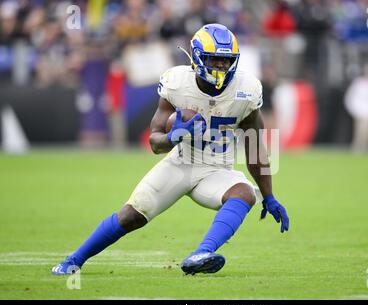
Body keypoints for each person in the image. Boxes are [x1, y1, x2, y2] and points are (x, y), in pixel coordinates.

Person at [52, 24, 289, 276]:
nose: (220, 67)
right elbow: (155, 143)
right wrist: (174, 136)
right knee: (131, 216)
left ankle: (201, 253)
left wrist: (269, 195)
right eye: (215, 60)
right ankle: (72, 260)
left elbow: (254, 144)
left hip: (216, 169)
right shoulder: (178, 83)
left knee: (244, 193)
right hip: (179, 163)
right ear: (198, 57)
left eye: (226, 61)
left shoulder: (246, 90)